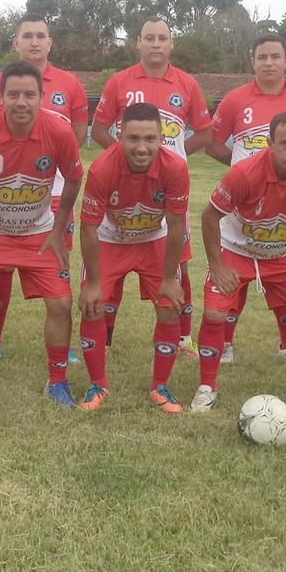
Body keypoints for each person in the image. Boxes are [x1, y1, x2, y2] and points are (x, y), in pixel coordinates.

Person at [0, 61, 84, 405]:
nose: (21, 102)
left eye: (29, 95)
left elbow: (75, 177)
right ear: (0, 97)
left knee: (62, 303)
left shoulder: (59, 132)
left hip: (38, 234)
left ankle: (57, 380)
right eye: (13, 95)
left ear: (41, 97)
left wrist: (56, 227)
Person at [198, 110, 286, 414]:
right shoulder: (245, 173)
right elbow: (209, 216)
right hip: (236, 249)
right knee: (215, 313)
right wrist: (218, 266)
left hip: (282, 254)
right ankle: (206, 388)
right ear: (269, 143)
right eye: (285, 144)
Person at [0, 13, 89, 364]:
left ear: (50, 42)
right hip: (5, 194)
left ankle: (63, 345)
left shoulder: (70, 84)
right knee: (0, 267)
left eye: (41, 36)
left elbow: (79, 134)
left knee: (56, 263)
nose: (35, 42)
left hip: (52, 191)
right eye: (28, 36)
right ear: (16, 42)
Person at [92, 17, 212, 357]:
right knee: (110, 258)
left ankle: (183, 339)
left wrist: (167, 158)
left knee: (180, 264)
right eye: (149, 38)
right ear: (138, 43)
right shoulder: (119, 81)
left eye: (162, 38)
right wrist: (125, 160)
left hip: (169, 188)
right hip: (123, 186)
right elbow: (100, 130)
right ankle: (107, 334)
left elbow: (205, 133)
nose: (156, 43)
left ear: (172, 44)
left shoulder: (187, 84)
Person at [206, 31, 286, 363]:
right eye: (262, 57)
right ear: (253, 62)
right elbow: (213, 142)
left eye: (275, 57)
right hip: (243, 200)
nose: (269, 63)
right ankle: (226, 342)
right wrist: (240, 167)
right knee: (236, 271)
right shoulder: (234, 99)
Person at [77, 102, 190, 412]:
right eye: (133, 139)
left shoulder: (176, 168)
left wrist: (169, 278)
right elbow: (88, 228)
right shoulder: (102, 168)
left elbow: (177, 224)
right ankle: (98, 385)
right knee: (93, 305)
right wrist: (94, 283)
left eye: (150, 139)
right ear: (119, 135)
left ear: (161, 138)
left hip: (153, 240)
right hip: (110, 240)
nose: (142, 148)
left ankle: (160, 387)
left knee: (169, 309)